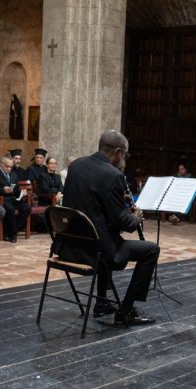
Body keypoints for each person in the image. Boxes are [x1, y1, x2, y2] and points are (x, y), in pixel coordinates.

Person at [62, 130, 160, 325]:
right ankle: (127, 310)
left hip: (68, 246)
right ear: (117, 152)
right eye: (125, 154)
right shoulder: (113, 175)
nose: (125, 158)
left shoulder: (76, 165)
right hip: (97, 251)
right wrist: (135, 217)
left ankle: (102, 303)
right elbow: (123, 223)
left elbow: (91, 206)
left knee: (105, 236)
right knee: (150, 250)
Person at [0, 155, 30, 242]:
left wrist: (22, 192)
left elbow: (16, 189)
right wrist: (3, 190)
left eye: (11, 166)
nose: (9, 169)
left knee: (26, 208)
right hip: (1, 199)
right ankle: (13, 234)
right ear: (1, 164)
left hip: (12, 198)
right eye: (7, 166)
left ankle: (12, 230)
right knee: (10, 209)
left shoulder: (13, 174)